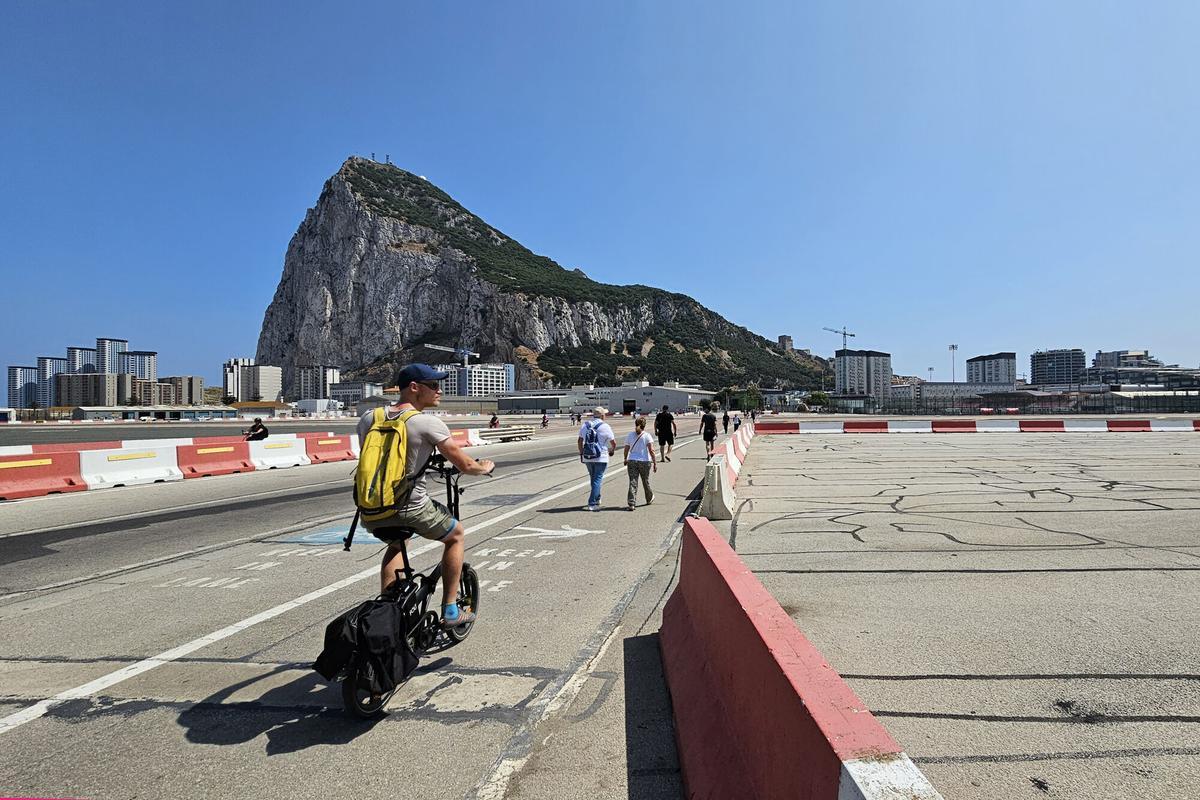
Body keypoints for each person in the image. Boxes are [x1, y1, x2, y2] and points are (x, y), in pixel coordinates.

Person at [357, 364, 495, 628]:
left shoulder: (368, 418)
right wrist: (484, 467)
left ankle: (389, 612)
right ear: (414, 388)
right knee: (456, 535)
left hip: (372, 509)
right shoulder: (427, 423)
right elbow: (465, 465)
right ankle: (451, 610)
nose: (439, 390)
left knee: (397, 544)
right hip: (410, 507)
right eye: (433, 385)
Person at [577, 406, 616, 511]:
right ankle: (592, 503)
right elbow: (613, 442)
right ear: (602, 415)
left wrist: (581, 453)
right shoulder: (605, 426)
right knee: (597, 479)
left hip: (588, 456)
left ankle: (597, 497)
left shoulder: (585, 425)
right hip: (601, 457)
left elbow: (580, 441)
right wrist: (612, 450)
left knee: (593, 478)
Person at [623, 416, 657, 510]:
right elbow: (651, 450)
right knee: (645, 481)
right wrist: (655, 463)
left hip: (632, 461)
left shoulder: (630, 435)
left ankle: (631, 503)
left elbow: (626, 449)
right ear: (644, 425)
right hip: (645, 461)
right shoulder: (647, 436)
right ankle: (649, 498)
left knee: (633, 482)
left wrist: (625, 458)